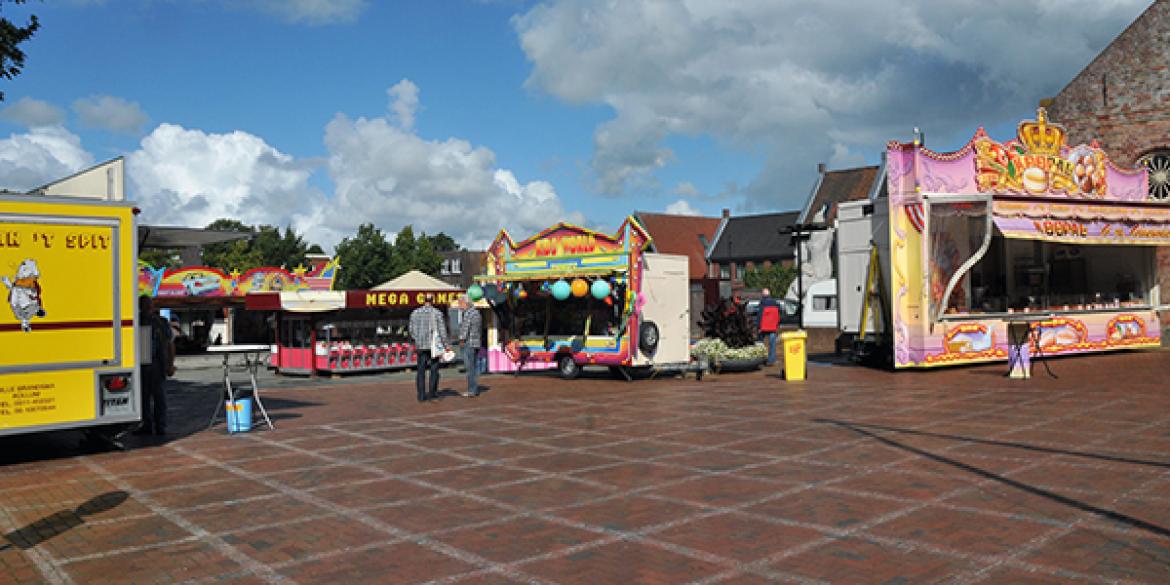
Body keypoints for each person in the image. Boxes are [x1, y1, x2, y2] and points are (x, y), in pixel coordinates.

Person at [137, 295, 175, 435]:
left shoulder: (160, 323)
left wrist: (170, 364)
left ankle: (159, 425)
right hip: (143, 364)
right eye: (144, 305)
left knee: (158, 397)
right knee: (144, 398)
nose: (147, 308)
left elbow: (170, 344)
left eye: (148, 305)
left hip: (156, 364)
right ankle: (149, 425)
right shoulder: (137, 321)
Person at [409, 293, 450, 402]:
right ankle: (432, 392)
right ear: (433, 301)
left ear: (423, 300)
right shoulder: (437, 313)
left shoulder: (415, 313)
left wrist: (417, 339)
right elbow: (442, 331)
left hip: (420, 345)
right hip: (433, 345)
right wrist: (446, 345)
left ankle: (421, 395)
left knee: (421, 371)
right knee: (434, 369)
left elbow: (411, 330)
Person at [457, 295, 483, 397]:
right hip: (476, 342)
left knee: (469, 368)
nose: (459, 305)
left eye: (460, 303)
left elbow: (465, 328)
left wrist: (461, 339)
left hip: (469, 343)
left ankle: (472, 390)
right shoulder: (477, 313)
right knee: (473, 367)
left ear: (465, 303)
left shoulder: (468, 313)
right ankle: (474, 388)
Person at [757, 288, 781, 366]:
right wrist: (777, 325)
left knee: (760, 343)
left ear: (763, 295)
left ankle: (760, 360)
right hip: (773, 327)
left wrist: (758, 327)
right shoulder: (775, 303)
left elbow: (760, 316)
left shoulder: (762, 303)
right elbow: (778, 315)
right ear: (769, 294)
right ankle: (771, 360)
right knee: (772, 344)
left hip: (763, 327)